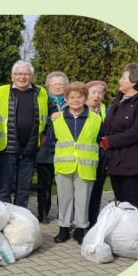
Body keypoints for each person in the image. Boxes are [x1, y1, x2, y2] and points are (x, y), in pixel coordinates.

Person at [46, 82, 102, 244]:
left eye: (79, 97)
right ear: (66, 99)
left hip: (86, 166)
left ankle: (80, 229)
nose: (76, 100)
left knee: (83, 198)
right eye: (72, 97)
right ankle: (63, 228)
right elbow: (51, 140)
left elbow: (100, 140)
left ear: (85, 98)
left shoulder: (96, 120)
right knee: (64, 197)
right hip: (64, 165)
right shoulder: (58, 119)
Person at [0, 60, 55, 208]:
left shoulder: (41, 92)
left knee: (24, 188)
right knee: (5, 187)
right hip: (7, 147)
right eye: (19, 74)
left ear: (32, 76)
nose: (22, 77)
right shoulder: (1, 91)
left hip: (30, 146)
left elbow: (53, 112)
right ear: (12, 76)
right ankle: (4, 219)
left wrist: (46, 131)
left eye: (26, 74)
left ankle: (21, 222)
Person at [102, 63, 138, 215]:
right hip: (116, 159)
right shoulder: (119, 101)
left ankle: (137, 233)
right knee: (120, 199)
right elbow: (109, 126)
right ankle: (123, 234)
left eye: (123, 77)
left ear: (133, 81)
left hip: (135, 160)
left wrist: (110, 142)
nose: (119, 80)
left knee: (132, 200)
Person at [35, 71, 69, 222]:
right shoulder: (41, 101)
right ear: (48, 86)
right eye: (54, 84)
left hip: (66, 151)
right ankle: (42, 214)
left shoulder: (72, 101)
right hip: (45, 150)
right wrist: (49, 119)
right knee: (44, 186)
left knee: (65, 187)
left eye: (61, 84)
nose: (57, 87)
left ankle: (63, 215)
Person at [85, 80, 109, 228]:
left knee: (96, 190)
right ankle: (78, 221)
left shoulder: (108, 111)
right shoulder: (78, 109)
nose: (97, 95)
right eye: (93, 92)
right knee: (82, 192)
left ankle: (92, 221)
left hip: (100, 157)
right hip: (83, 158)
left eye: (100, 92)